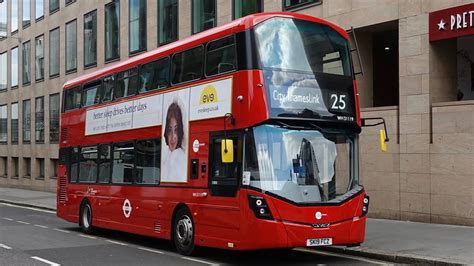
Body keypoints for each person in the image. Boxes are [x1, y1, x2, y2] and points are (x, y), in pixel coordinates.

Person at [162, 102, 187, 182]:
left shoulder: (181, 159)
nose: (173, 137)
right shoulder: (165, 157)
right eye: (170, 130)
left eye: (176, 130)